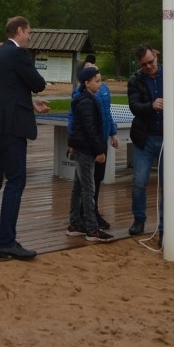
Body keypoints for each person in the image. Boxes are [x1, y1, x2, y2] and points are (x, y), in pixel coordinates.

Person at [0, 15, 50, 260]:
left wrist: (29, 103)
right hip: (11, 129)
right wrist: (34, 93)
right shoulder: (19, 54)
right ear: (19, 31)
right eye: (29, 32)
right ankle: (7, 241)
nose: (30, 36)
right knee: (16, 181)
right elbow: (38, 83)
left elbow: (5, 91)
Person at [127, 44, 174, 247]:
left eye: (151, 62)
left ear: (156, 56)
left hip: (168, 139)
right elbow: (134, 106)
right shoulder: (135, 80)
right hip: (145, 138)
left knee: (167, 184)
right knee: (139, 181)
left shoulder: (172, 74)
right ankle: (139, 219)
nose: (149, 66)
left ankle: (164, 229)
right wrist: (150, 106)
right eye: (144, 64)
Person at [67, 60, 118, 229]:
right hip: (89, 144)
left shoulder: (103, 91)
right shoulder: (80, 96)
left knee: (96, 180)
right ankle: (86, 221)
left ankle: (92, 213)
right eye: (91, 71)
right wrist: (73, 141)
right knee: (86, 184)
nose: (95, 73)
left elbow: (107, 113)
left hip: (100, 140)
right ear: (86, 80)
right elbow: (76, 120)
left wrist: (112, 132)